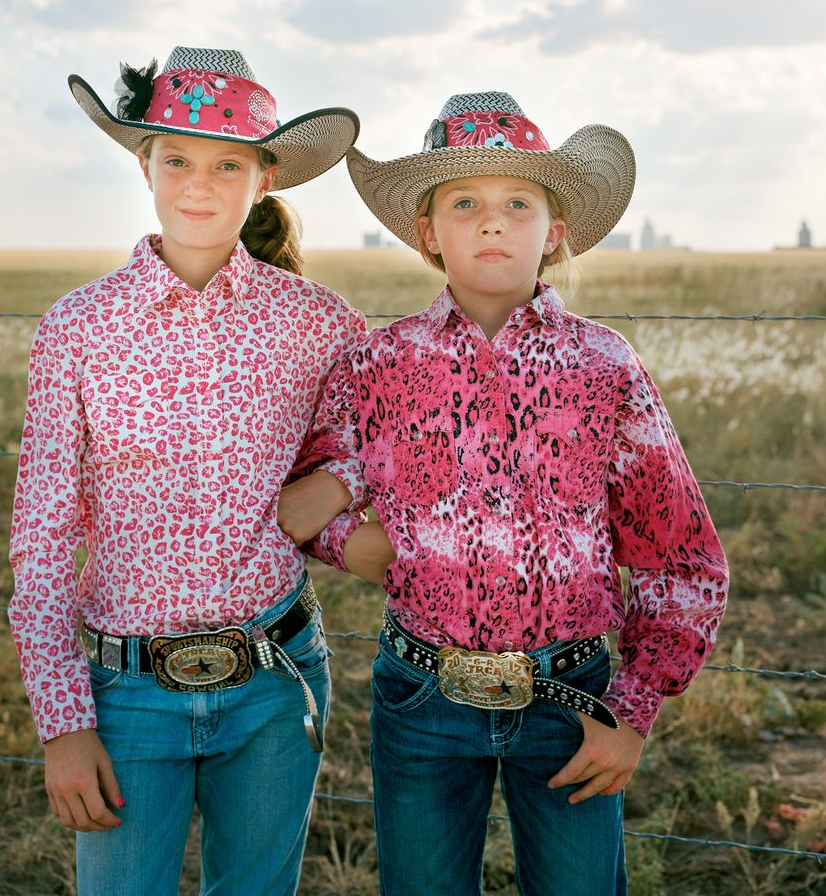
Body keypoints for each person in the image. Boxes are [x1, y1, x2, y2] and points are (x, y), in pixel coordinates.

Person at [282, 92, 729, 895]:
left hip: (573, 696)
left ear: (552, 232)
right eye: (465, 204)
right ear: (428, 232)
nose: (493, 223)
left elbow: (681, 555)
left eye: (517, 204)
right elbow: (309, 496)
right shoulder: (378, 364)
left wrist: (630, 711)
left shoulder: (603, 365)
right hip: (423, 696)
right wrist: (360, 542)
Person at [7, 46, 365, 896]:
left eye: (227, 164)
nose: (198, 185)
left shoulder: (317, 323)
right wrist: (64, 724)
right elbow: (45, 535)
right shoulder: (79, 327)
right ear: (145, 164)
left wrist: (338, 485)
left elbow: (395, 430)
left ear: (265, 176)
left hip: (275, 684)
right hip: (127, 692)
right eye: (176, 159)